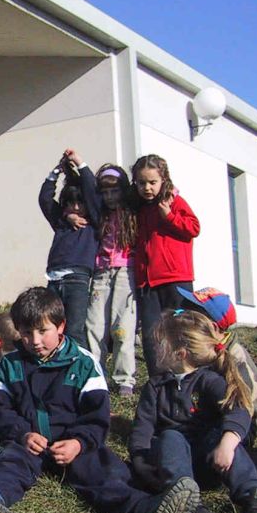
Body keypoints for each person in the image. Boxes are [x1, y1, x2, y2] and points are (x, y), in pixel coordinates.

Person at [0, 287, 199, 513]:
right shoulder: (9, 365)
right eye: (27, 333)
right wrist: (22, 434)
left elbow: (96, 416)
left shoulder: (84, 363)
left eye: (43, 331)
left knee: (104, 473)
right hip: (29, 442)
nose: (35, 341)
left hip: (73, 443)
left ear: (61, 326)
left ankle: (145, 512)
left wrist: (79, 442)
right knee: (10, 462)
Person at [128, 309, 257, 513]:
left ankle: (254, 499)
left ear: (180, 353)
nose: (154, 349)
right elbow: (143, 428)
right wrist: (140, 463)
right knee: (171, 436)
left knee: (223, 436)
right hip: (174, 465)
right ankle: (190, 506)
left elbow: (239, 410)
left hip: (215, 461)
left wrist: (227, 444)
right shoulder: (155, 387)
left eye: (160, 344)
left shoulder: (210, 381)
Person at [131, 154, 200, 376]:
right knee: (152, 335)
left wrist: (169, 216)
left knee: (179, 331)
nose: (147, 188)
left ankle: (186, 377)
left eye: (152, 182)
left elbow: (194, 228)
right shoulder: (138, 208)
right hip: (148, 283)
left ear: (163, 180)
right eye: (142, 183)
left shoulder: (173, 201)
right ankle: (157, 381)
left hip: (176, 279)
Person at [177, 287, 257, 444]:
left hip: (237, 427)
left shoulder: (236, 357)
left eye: (190, 317)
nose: (181, 318)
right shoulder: (191, 348)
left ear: (213, 327)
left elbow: (243, 403)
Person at [84, 163, 139, 395]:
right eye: (105, 192)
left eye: (114, 191)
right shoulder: (99, 214)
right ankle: (96, 373)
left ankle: (124, 378)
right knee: (94, 324)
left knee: (122, 326)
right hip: (102, 272)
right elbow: (85, 189)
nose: (110, 196)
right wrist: (80, 165)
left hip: (127, 271)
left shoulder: (132, 212)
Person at [38, 149, 101, 345]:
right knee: (52, 325)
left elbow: (92, 190)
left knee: (75, 328)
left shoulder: (94, 222)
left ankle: (79, 365)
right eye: (70, 204)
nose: (75, 208)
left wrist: (80, 163)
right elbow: (45, 199)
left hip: (77, 280)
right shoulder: (61, 221)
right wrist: (56, 172)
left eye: (79, 204)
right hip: (54, 279)